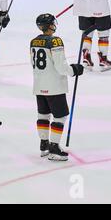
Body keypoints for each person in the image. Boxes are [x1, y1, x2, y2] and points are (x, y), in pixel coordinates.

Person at [30, 13, 84, 161]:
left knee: (43, 115)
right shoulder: (55, 41)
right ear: (50, 25)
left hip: (39, 85)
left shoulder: (34, 41)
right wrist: (74, 70)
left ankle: (44, 145)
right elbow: (61, 66)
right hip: (54, 86)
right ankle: (54, 147)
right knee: (60, 116)